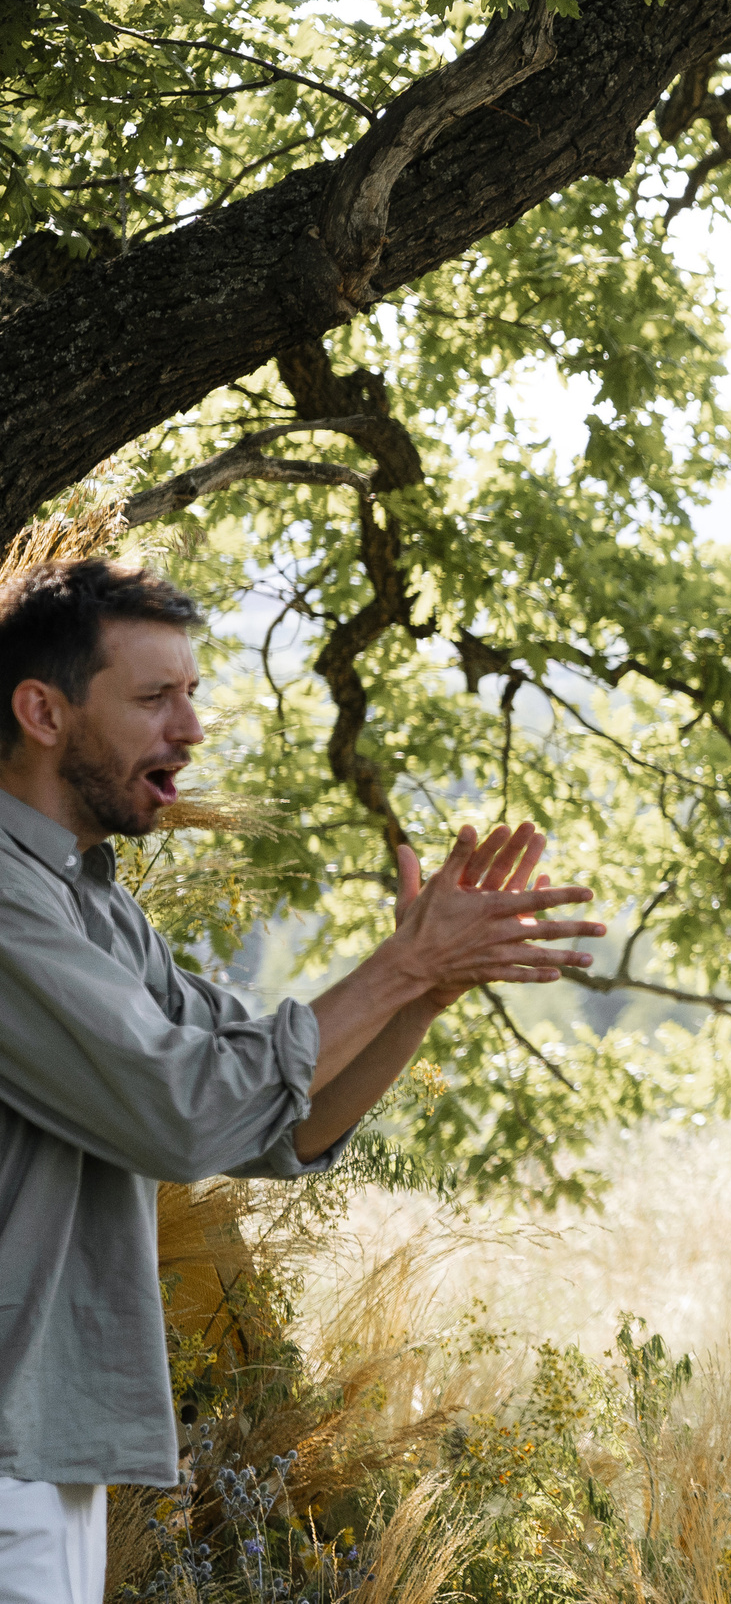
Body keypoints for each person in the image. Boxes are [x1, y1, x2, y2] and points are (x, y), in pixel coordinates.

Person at [0, 559, 609, 1604]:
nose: (190, 731)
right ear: (43, 711)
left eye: (192, 695)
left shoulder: (91, 904)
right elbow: (186, 1113)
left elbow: (264, 1119)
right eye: (155, 698)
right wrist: (403, 964)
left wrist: (425, 989)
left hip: (45, 1446)